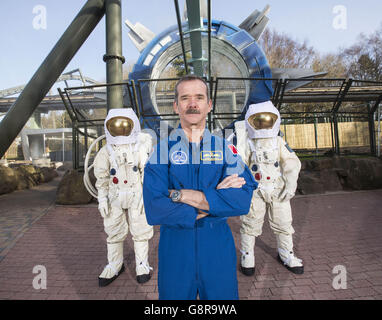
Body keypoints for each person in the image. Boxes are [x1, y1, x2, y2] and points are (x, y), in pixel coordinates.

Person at [142, 74, 257, 300]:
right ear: (176, 106)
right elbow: (154, 207)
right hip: (175, 251)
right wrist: (215, 203)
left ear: (209, 105)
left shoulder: (225, 150)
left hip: (217, 251)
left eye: (199, 97)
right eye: (185, 98)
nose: (192, 104)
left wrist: (181, 195)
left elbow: (242, 199)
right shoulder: (160, 152)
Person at [234, 101, 303, 276]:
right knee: (250, 224)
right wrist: (241, 134)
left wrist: (290, 184)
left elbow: (292, 162)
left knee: (284, 223)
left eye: (267, 119)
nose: (263, 123)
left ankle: (286, 254)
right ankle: (247, 256)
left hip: (277, 189)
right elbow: (239, 162)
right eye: (258, 120)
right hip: (256, 191)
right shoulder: (248, 142)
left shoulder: (278, 141)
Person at [93, 108, 154, 287]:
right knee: (113, 231)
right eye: (116, 126)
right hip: (115, 196)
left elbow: (147, 175)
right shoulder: (106, 151)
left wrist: (146, 198)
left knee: (141, 231)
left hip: (137, 195)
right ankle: (114, 264)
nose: (120, 130)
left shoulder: (140, 148)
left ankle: (142, 265)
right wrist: (102, 199)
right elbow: (102, 178)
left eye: (124, 126)